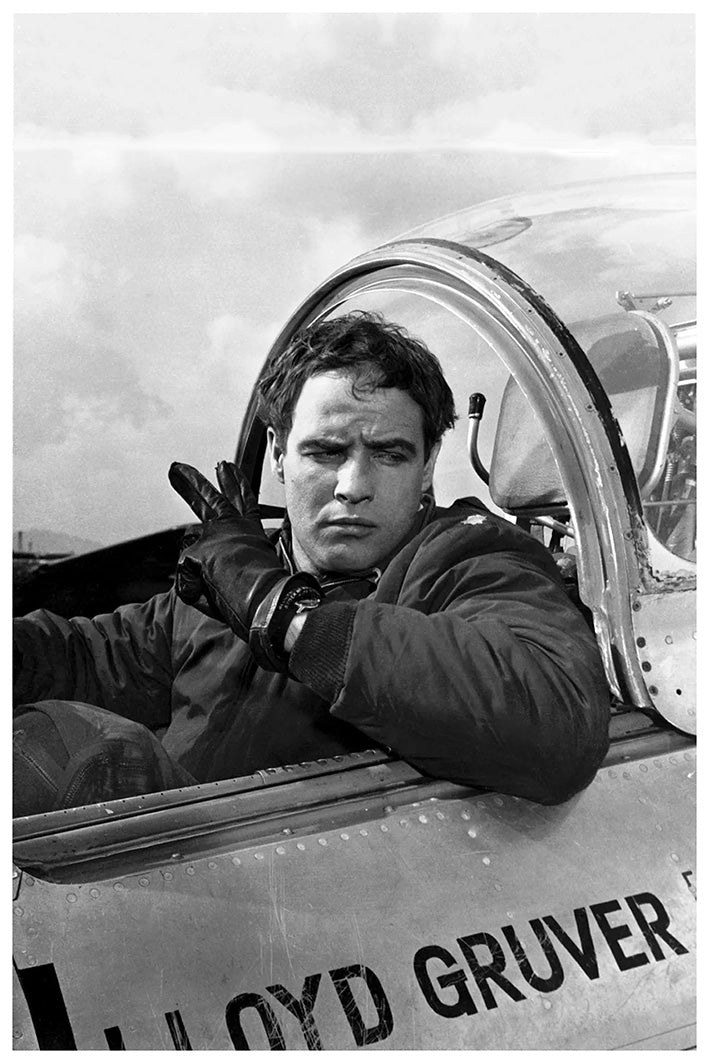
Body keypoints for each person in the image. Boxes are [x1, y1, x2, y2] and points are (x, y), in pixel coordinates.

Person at [13, 311, 610, 814]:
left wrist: (282, 615)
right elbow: (84, 657)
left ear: (428, 465)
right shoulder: (233, 577)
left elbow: (556, 722)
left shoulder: (468, 560)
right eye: (325, 452)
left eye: (390, 454)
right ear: (278, 453)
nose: (353, 485)